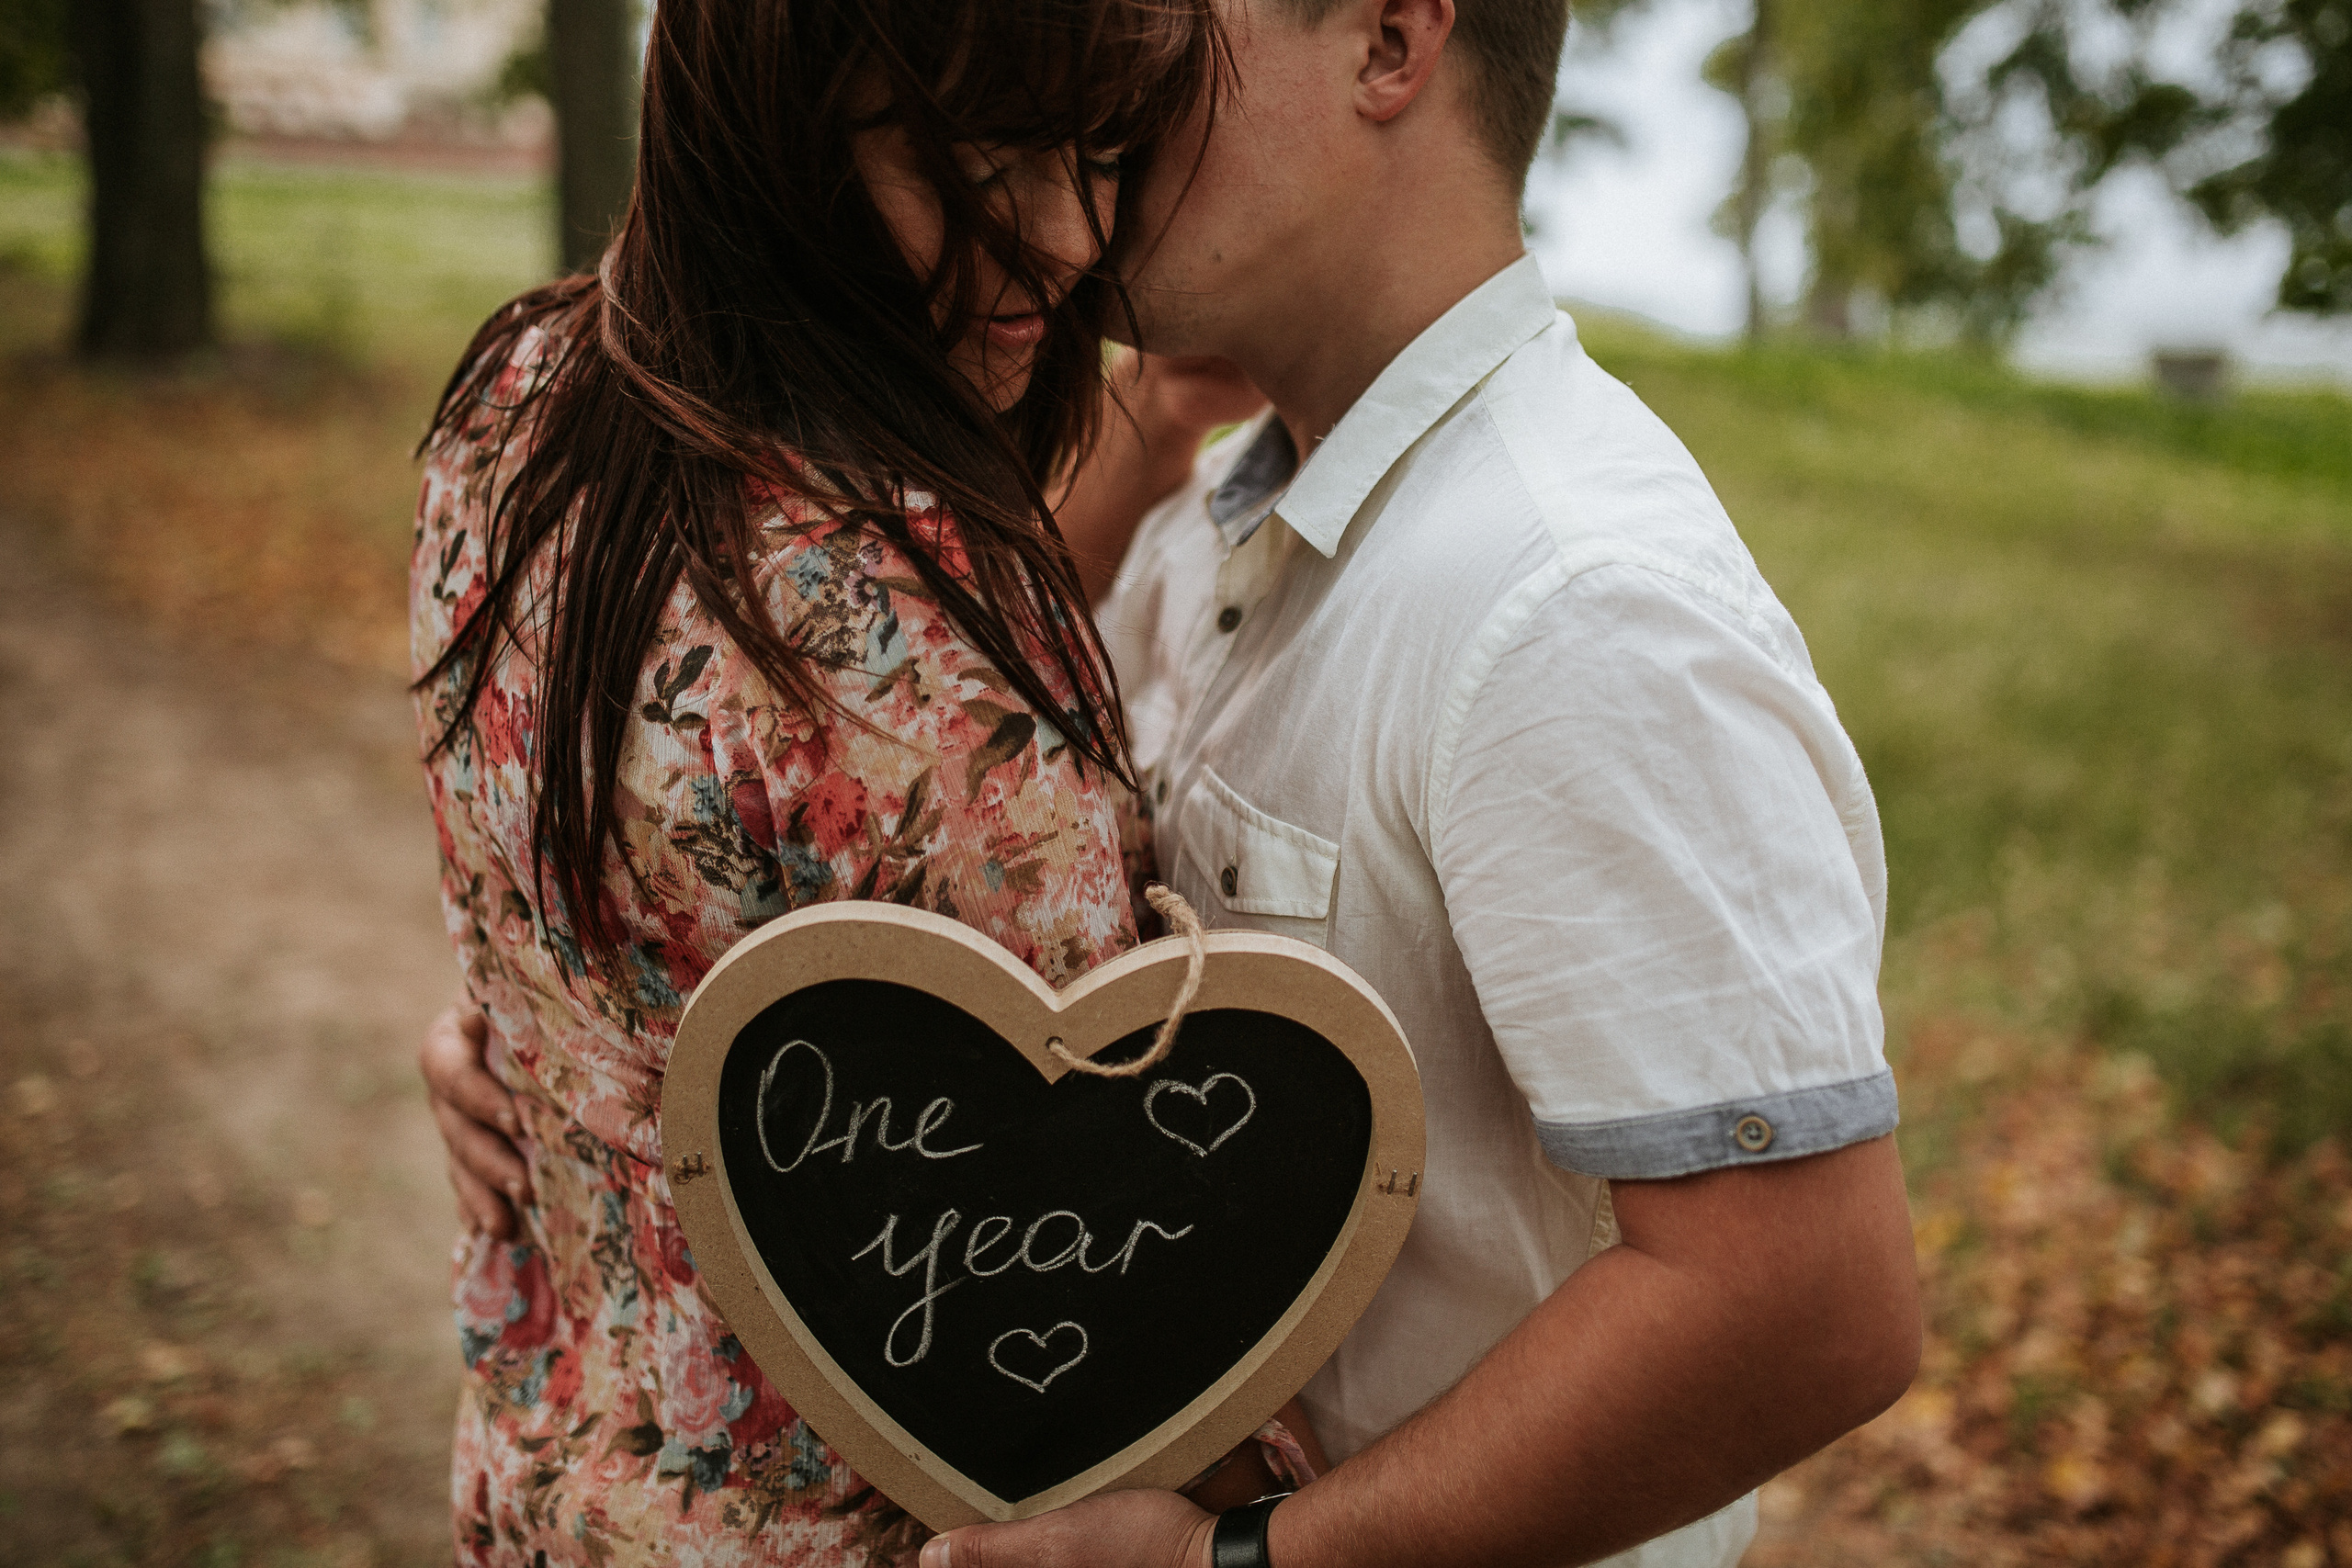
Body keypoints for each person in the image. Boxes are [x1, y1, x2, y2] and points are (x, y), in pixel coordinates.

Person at [432, 1, 1924, 1565]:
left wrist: (1245, 1562)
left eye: (1159, 35)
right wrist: (577, 1006)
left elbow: (1806, 1305)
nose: (1111, 79)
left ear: (1388, 42)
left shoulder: (1572, 608)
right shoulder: (1229, 509)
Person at [404, 0, 1321, 1561]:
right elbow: (1106, 1266)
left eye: (1096, 155)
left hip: (557, 1468)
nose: (1065, 238)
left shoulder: (527, 395)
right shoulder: (938, 700)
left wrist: (547, 1045)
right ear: (775, 112)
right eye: (982, 159)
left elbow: (762, 773)